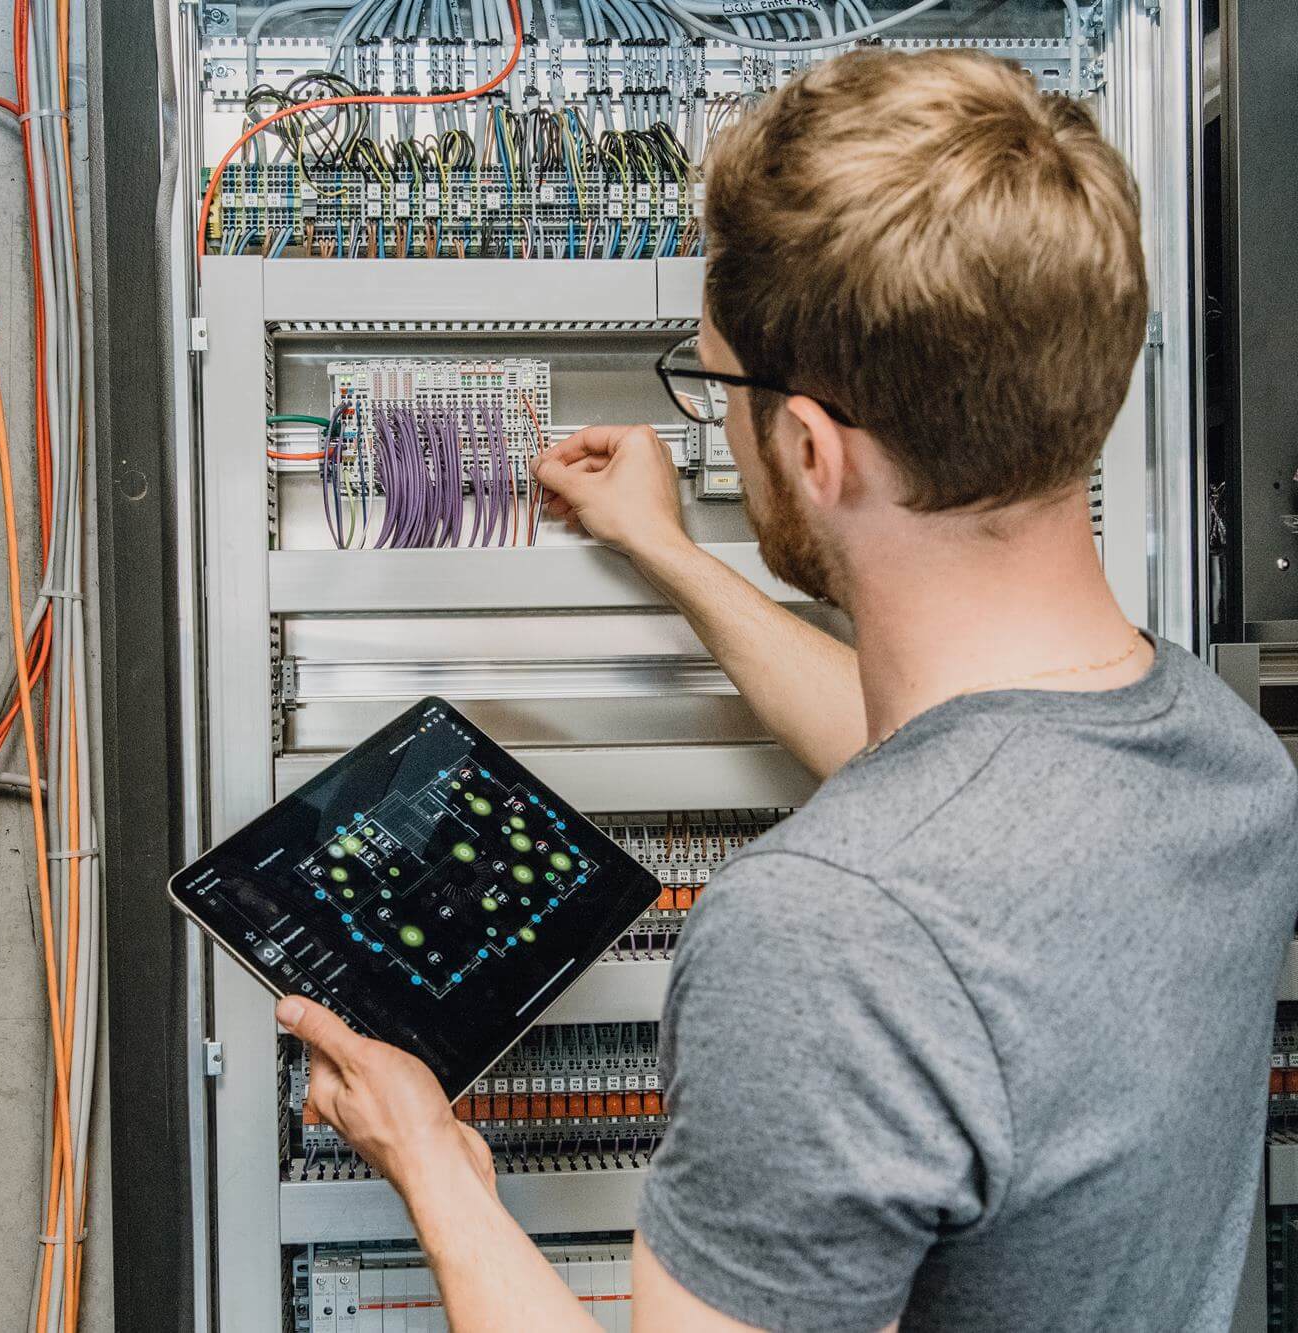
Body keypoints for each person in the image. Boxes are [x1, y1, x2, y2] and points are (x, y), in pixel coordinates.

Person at [274, 47, 1298, 1332]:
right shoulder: (1220, 754)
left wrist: (431, 1158)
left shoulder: (827, 938)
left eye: (714, 391)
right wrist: (669, 553)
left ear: (809, 448)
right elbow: (936, 759)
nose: (716, 423)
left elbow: (903, 857)